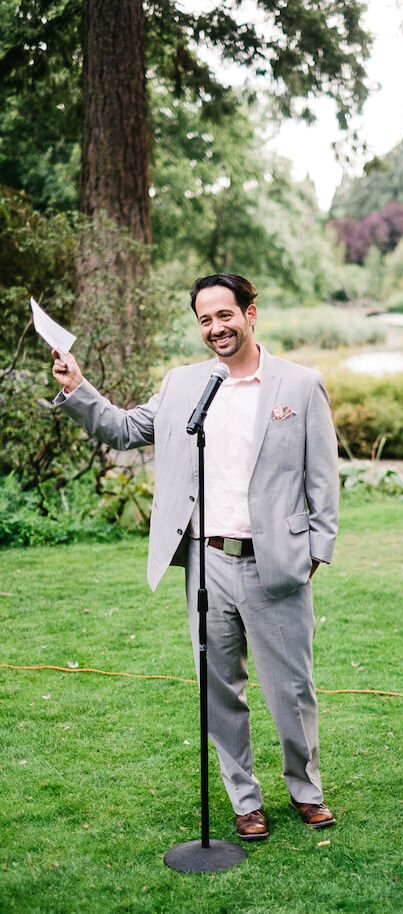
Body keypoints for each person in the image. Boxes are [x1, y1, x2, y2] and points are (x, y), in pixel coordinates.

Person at [50, 273, 339, 842]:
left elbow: (323, 475)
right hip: (207, 563)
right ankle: (244, 799)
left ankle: (306, 791)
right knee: (218, 688)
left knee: (292, 689)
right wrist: (77, 386)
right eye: (205, 320)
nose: (216, 329)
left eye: (225, 316)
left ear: (251, 314)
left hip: (275, 562)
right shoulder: (185, 385)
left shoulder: (300, 385)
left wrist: (316, 551)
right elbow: (127, 429)